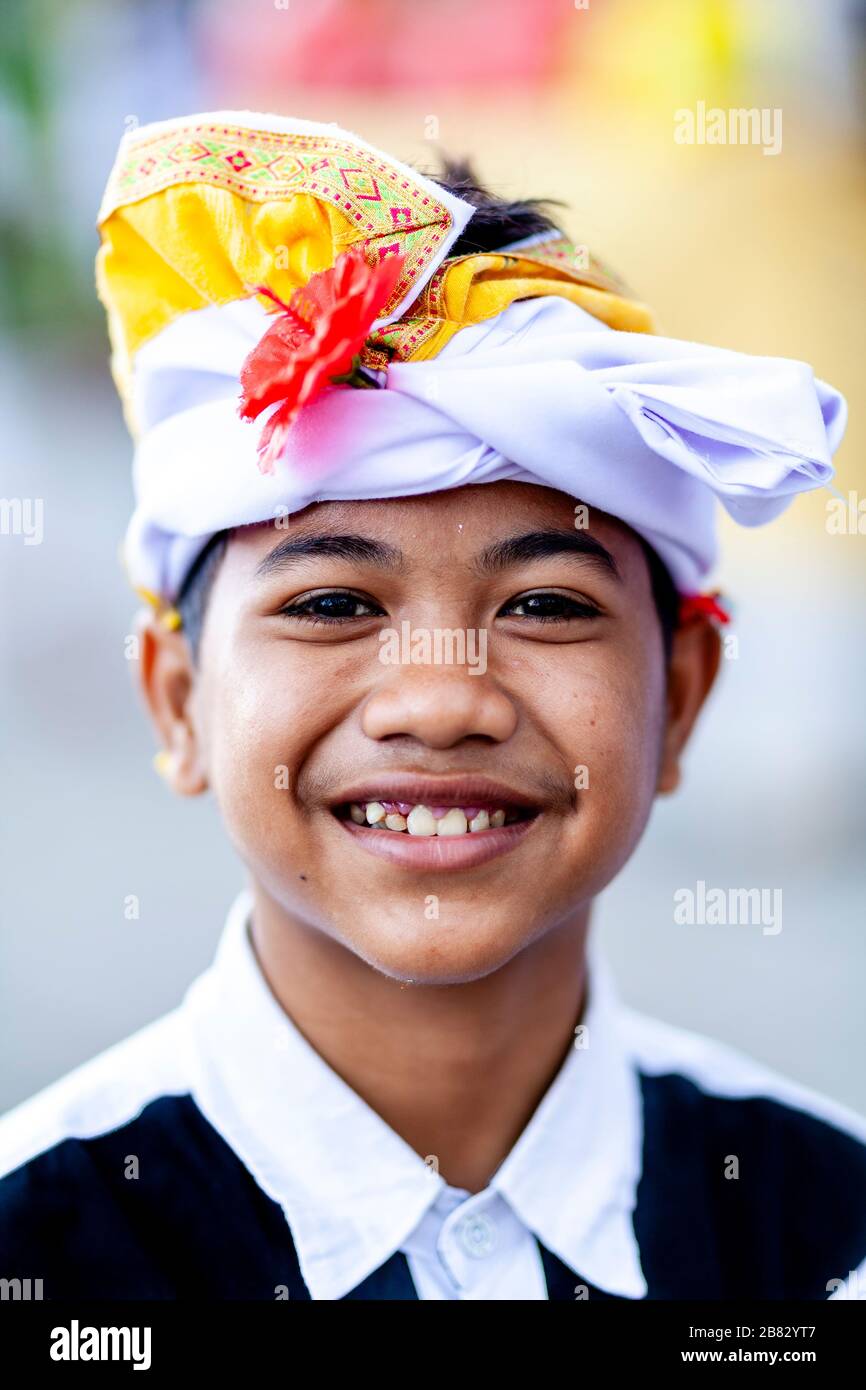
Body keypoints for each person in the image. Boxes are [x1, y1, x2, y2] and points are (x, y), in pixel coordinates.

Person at [0, 111, 863, 1302]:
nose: (443, 700)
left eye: (547, 606)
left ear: (682, 697)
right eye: (334, 602)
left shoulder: (828, 1239)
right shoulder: (34, 1244)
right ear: (179, 698)